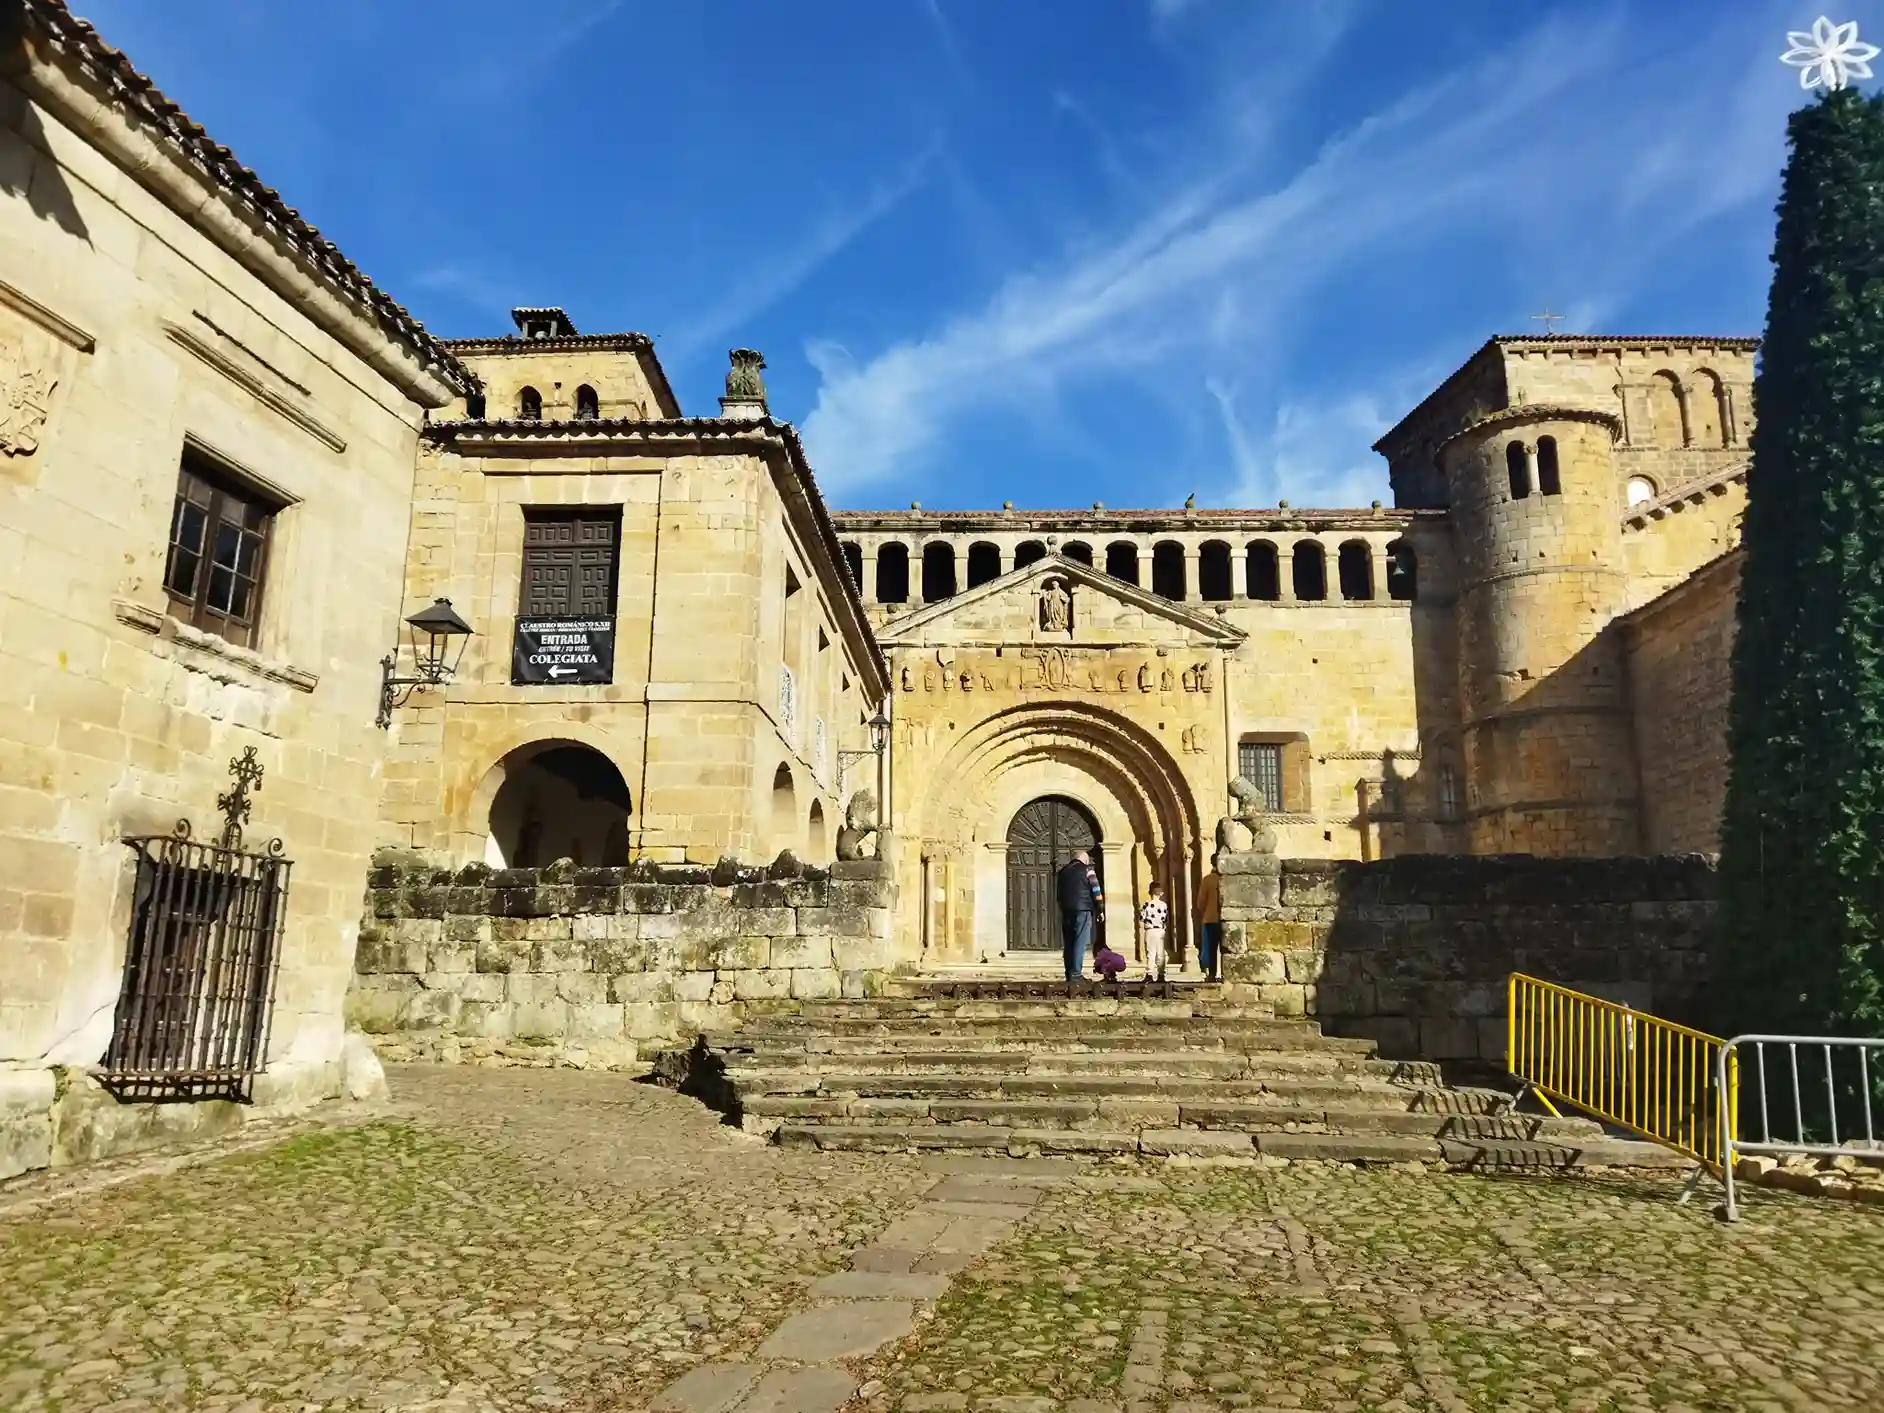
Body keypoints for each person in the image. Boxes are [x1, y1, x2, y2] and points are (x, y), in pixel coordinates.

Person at [1055, 847, 1104, 983]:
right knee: (1079, 941)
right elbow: (1096, 890)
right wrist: (1100, 909)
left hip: (1066, 910)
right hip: (1083, 909)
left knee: (1069, 942)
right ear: (1085, 859)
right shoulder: (1088, 870)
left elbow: (1058, 893)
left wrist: (1063, 907)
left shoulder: (1063, 872)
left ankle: (1069, 973)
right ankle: (1076, 974)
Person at [1195, 861, 1223, 981]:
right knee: (1226, 947)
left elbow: (1200, 902)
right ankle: (1225, 973)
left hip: (1210, 918)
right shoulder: (1225, 879)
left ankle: (1212, 974)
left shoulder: (1208, 880)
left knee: (1211, 948)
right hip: (1225, 918)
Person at [1138, 881, 1169, 982]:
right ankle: (1161, 974)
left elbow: (1141, 918)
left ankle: (1149, 974)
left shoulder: (1146, 904)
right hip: (1160, 930)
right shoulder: (1164, 905)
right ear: (1160, 893)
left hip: (1150, 930)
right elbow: (1166, 919)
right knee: (1160, 953)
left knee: (1150, 953)